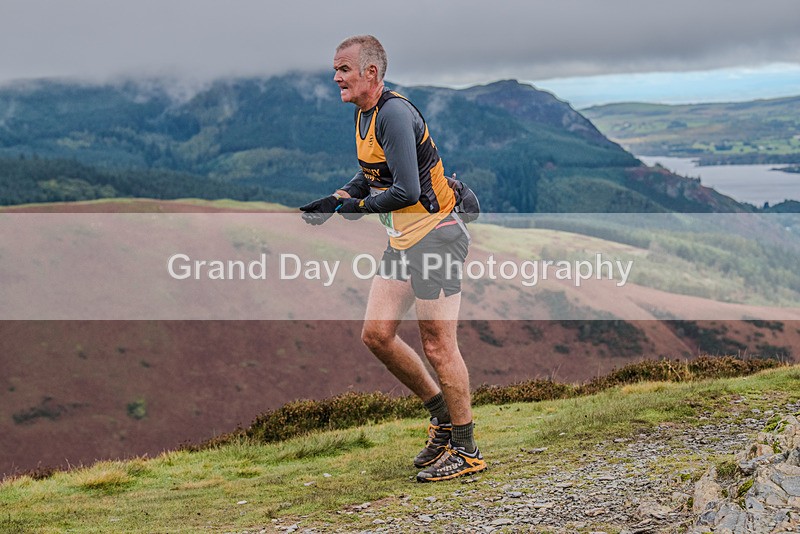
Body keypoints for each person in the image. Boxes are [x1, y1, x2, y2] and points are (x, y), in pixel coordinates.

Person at [299, 35, 486, 482]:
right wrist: (336, 198)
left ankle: (467, 450)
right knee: (377, 334)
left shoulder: (395, 113)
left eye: (344, 69)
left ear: (371, 73)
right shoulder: (366, 114)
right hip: (404, 240)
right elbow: (371, 176)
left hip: (437, 236)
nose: (335, 77)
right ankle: (441, 418)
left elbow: (408, 191)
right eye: (335, 69)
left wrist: (354, 210)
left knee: (439, 345)